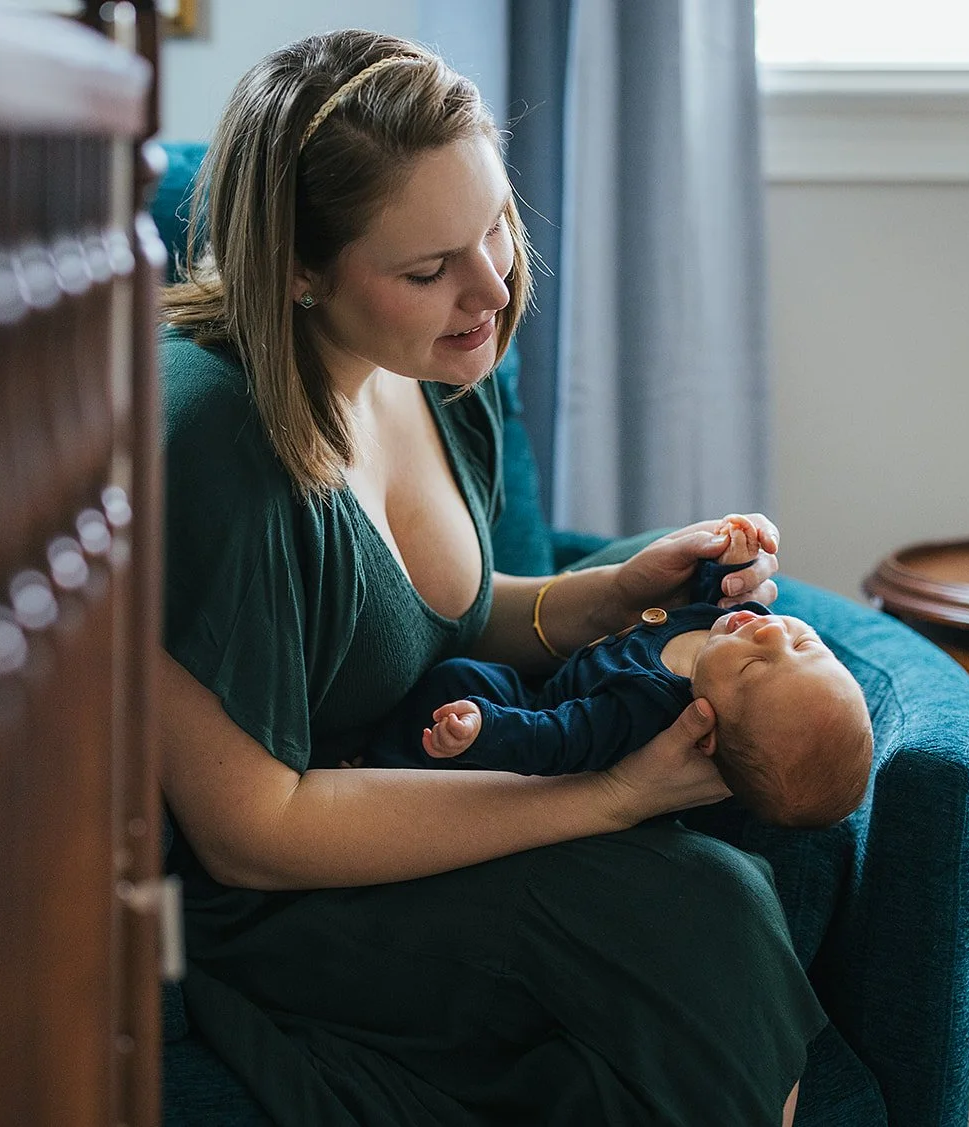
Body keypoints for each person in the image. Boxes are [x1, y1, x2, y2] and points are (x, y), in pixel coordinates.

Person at [157, 28, 825, 1126]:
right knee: (699, 926)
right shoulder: (213, 442)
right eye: (428, 269)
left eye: (495, 228)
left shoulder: (423, 360)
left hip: (416, 767)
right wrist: (604, 796)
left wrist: (608, 594)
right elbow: (253, 832)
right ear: (298, 271)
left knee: (718, 909)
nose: (490, 286)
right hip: (287, 892)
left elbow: (439, 618)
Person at [360, 515, 875, 829]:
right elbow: (703, 601)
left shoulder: (646, 709)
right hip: (557, 666)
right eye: (806, 643)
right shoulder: (734, 633)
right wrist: (729, 556)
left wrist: (487, 727)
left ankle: (374, 767)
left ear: (708, 730)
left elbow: (560, 737)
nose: (769, 634)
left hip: (534, 710)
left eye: (756, 665)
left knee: (457, 683)